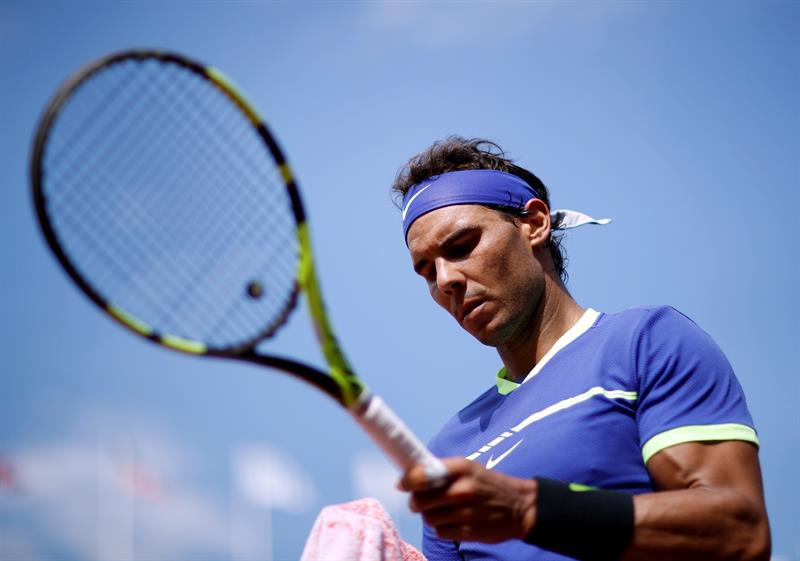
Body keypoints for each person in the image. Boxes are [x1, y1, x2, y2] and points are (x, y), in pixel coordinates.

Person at [393, 137, 770, 561]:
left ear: (535, 223)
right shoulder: (448, 450)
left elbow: (740, 533)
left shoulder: (645, 343)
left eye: (462, 246)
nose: (445, 280)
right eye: (428, 271)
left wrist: (527, 509)